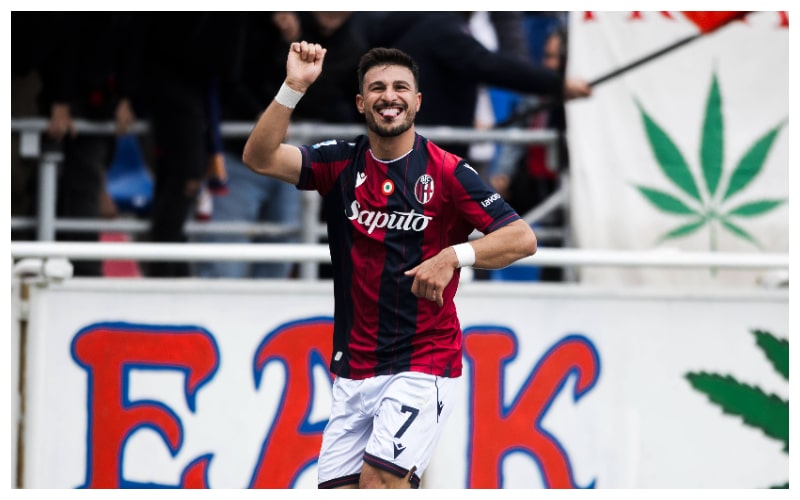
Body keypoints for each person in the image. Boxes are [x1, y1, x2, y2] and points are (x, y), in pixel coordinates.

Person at [242, 42, 538, 488]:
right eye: (377, 88)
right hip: (354, 366)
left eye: (401, 87)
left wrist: (453, 256)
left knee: (381, 484)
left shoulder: (447, 172)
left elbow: (521, 237)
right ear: (362, 103)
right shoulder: (341, 162)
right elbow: (259, 157)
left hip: (421, 360)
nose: (389, 95)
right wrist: (293, 86)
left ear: (417, 101)